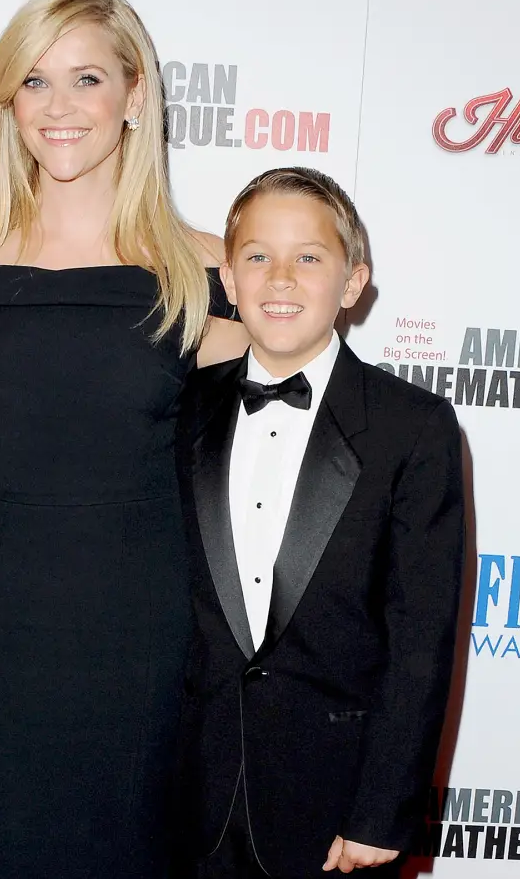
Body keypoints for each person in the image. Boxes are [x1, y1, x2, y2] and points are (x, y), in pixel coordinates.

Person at [0, 0, 249, 878]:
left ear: (135, 94)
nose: (59, 107)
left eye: (86, 78)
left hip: (147, 622)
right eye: (34, 82)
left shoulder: (209, 270)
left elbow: (277, 464)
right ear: (7, 103)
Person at [173, 167, 465, 879]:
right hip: (187, 799)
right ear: (228, 279)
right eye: (257, 257)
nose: (280, 278)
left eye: (309, 257)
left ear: (353, 281)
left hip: (334, 812)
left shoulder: (412, 427)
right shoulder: (181, 409)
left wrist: (381, 809)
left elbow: (421, 636)